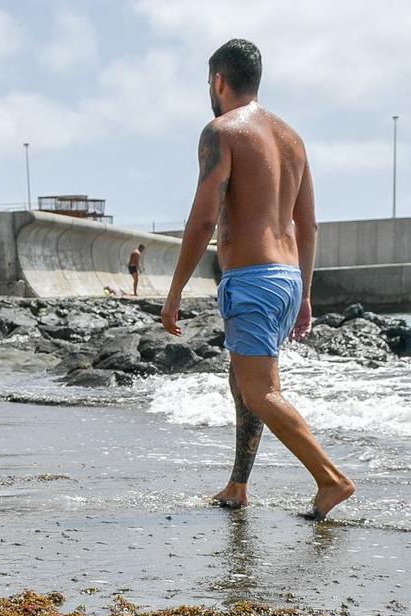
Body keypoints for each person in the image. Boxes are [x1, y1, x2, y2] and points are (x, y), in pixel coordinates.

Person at [161, 38, 352, 520]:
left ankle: (331, 480)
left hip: (253, 279)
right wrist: (304, 293)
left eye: (209, 82)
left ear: (219, 81)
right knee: (242, 384)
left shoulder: (221, 131)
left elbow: (203, 220)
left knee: (261, 392)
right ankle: (238, 485)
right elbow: (307, 225)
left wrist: (175, 290)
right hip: (286, 277)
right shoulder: (291, 138)